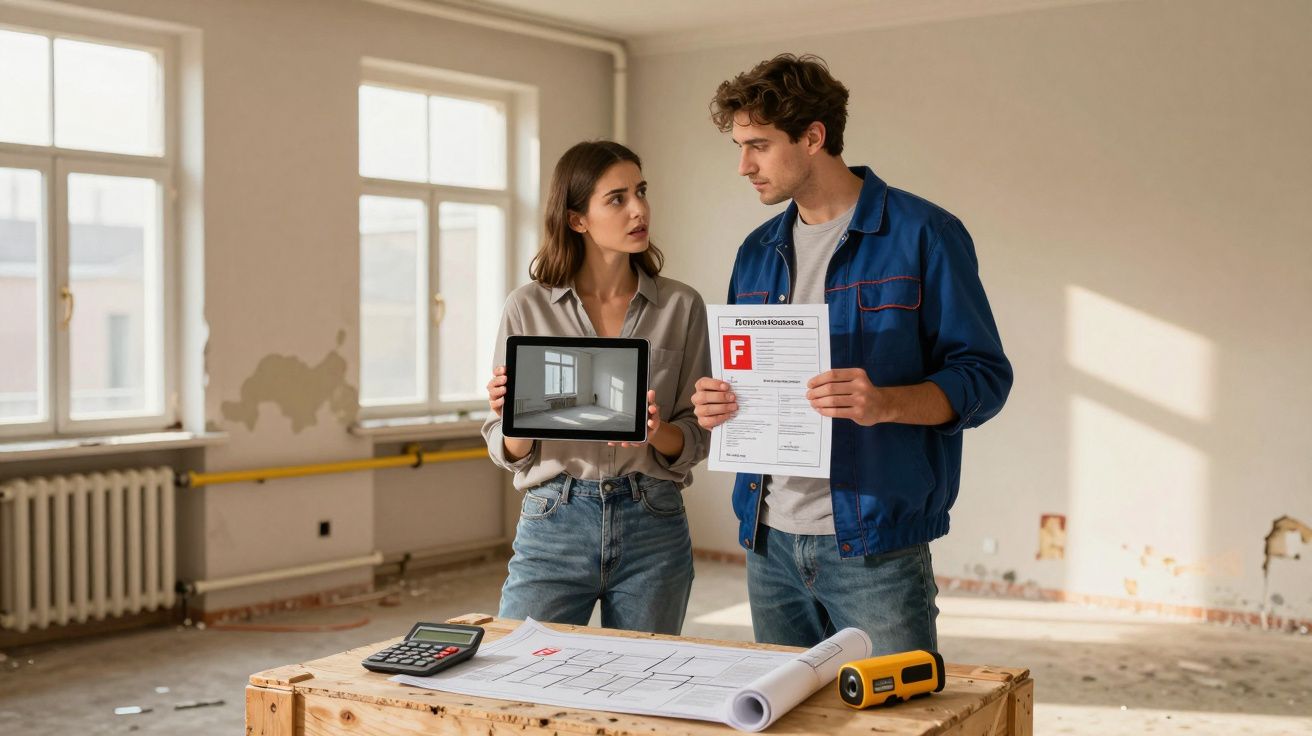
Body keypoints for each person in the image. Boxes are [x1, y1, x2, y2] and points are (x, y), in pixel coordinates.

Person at [691, 54, 1013, 651]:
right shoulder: (756, 251)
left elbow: (984, 378)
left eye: (758, 145)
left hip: (874, 547)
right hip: (768, 542)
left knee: (897, 717)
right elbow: (743, 374)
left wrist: (884, 402)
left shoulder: (925, 235)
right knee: (784, 714)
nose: (743, 166)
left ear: (813, 137)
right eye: (739, 146)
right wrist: (716, 401)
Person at [483, 140, 711, 635]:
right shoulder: (527, 308)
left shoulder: (682, 307)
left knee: (643, 688)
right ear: (576, 219)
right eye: (617, 198)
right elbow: (509, 450)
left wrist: (656, 431)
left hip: (654, 517)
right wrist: (511, 419)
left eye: (641, 192)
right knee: (516, 672)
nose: (639, 209)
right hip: (554, 518)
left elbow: (696, 436)